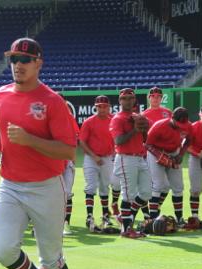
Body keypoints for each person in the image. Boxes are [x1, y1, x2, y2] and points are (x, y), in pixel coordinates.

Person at [0, 38, 77, 269]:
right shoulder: (1, 94)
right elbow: (1, 127)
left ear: (39, 63)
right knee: (3, 250)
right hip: (11, 184)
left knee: (53, 258)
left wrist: (29, 140)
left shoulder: (52, 101)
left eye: (25, 59)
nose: (18, 65)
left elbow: (67, 150)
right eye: (14, 59)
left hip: (46, 187)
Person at [110, 88, 151, 238]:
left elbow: (145, 139)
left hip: (140, 157)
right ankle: (126, 230)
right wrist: (134, 130)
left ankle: (127, 218)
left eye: (130, 98)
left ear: (134, 100)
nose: (128, 101)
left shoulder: (137, 116)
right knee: (128, 195)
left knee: (146, 193)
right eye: (125, 98)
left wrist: (144, 129)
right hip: (125, 158)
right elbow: (118, 141)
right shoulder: (117, 118)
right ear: (120, 101)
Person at [145, 107, 192, 224]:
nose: (182, 126)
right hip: (156, 152)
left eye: (184, 123)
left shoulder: (188, 126)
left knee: (178, 187)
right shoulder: (159, 125)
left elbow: (188, 140)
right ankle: (153, 218)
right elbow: (147, 144)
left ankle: (179, 218)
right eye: (179, 123)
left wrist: (181, 154)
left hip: (174, 152)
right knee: (158, 185)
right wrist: (160, 156)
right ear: (172, 118)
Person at [78, 95, 115, 231]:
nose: (102, 109)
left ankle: (105, 215)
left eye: (105, 106)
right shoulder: (89, 122)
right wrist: (94, 156)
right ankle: (89, 216)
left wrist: (115, 152)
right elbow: (82, 141)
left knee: (105, 187)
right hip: (91, 158)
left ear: (109, 107)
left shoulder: (113, 120)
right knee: (91, 187)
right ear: (96, 107)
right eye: (99, 106)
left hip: (107, 158)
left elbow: (116, 138)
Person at [59, 93, 79, 235]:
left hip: (67, 161)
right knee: (51, 193)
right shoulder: (46, 119)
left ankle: (66, 223)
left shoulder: (69, 118)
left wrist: (73, 156)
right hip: (53, 161)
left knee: (67, 193)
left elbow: (75, 137)